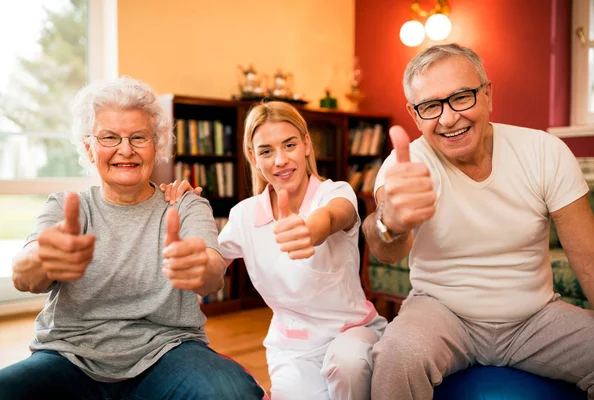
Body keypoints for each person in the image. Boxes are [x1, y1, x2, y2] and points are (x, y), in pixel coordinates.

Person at [0, 77, 266, 400]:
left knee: (234, 394)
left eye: (138, 137)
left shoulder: (185, 205)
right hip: (69, 357)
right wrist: (42, 260)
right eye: (109, 137)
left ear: (157, 145)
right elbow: (22, 273)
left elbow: (212, 276)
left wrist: (201, 267)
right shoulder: (66, 207)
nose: (125, 150)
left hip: (169, 352)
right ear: (89, 147)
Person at [362, 43, 594, 399]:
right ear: (414, 115)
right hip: (442, 314)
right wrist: (389, 222)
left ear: (487, 93)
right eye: (431, 106)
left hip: (534, 317)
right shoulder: (407, 165)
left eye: (461, 97)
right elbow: (385, 249)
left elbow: (591, 260)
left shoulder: (543, 151)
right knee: (397, 356)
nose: (448, 118)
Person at [187, 101, 387, 400]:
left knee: (349, 363)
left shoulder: (335, 192)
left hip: (352, 333)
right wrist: (190, 222)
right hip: (292, 347)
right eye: (266, 151)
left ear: (306, 144)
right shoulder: (244, 215)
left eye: (289, 145)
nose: (280, 160)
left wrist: (312, 229)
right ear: (253, 157)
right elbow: (213, 263)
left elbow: (337, 214)